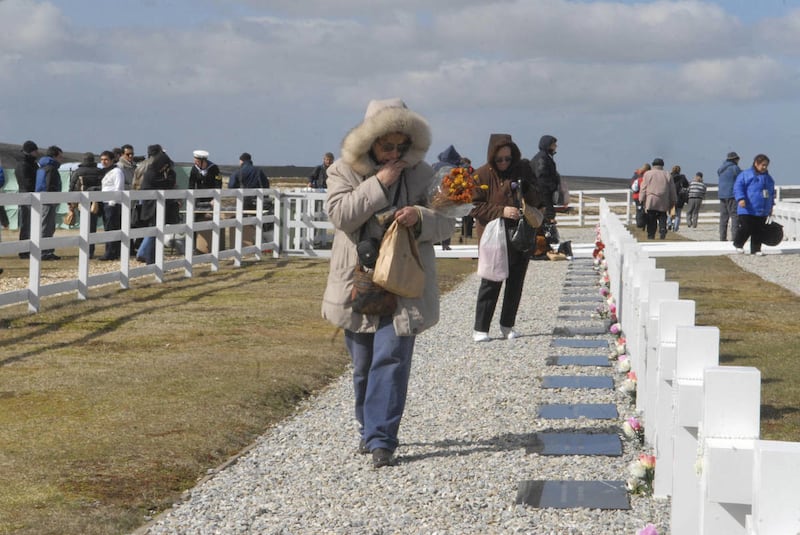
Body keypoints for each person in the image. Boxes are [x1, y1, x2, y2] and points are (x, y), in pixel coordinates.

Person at [321, 98, 454, 468]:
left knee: (391, 357)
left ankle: (382, 439)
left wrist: (421, 217)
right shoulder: (343, 172)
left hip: (404, 282)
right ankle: (368, 426)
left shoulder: (424, 175)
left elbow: (448, 225)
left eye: (401, 145)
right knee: (363, 363)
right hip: (358, 283)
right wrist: (379, 184)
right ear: (370, 142)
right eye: (387, 145)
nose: (395, 153)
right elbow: (341, 216)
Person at [471, 133, 542, 342]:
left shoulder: (522, 170)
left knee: (515, 282)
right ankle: (480, 328)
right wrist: (501, 211)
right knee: (491, 281)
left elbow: (537, 199)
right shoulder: (481, 175)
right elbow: (474, 207)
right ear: (492, 157)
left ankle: (507, 325)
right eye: (499, 159)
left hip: (521, 235)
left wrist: (528, 190)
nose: (504, 163)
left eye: (508, 159)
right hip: (494, 237)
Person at [136, 152, 176, 264]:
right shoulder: (152, 173)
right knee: (154, 232)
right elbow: (166, 185)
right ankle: (149, 257)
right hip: (151, 207)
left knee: (153, 231)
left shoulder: (153, 172)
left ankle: (143, 253)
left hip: (153, 206)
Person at [733, 154, 775, 256]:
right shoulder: (745, 175)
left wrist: (770, 207)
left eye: (766, 165)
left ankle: (756, 249)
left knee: (759, 230)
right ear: (756, 163)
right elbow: (738, 187)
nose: (764, 167)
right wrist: (741, 198)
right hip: (747, 208)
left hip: (762, 209)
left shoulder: (769, 179)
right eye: (763, 165)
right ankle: (738, 244)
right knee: (746, 227)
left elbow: (771, 194)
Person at [69, 152, 106, 258]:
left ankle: (85, 251)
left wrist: (70, 204)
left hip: (81, 202)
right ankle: (90, 251)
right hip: (96, 202)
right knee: (92, 226)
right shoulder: (99, 171)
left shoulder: (78, 172)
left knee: (84, 227)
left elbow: (72, 188)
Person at [431, 144, 464, 250]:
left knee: (433, 220)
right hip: (449, 198)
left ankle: (433, 242)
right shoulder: (455, 169)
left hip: (434, 198)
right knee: (448, 220)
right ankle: (445, 244)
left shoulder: (434, 166)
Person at [35, 145, 65, 260]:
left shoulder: (42, 167)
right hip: (48, 200)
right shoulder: (51, 168)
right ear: (54, 156)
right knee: (47, 226)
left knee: (46, 225)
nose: (61, 159)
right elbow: (49, 185)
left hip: (42, 199)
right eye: (60, 157)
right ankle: (44, 252)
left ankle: (46, 251)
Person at [99, 150, 126, 260]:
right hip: (105, 202)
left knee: (111, 227)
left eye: (106, 159)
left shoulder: (116, 172)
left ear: (112, 160)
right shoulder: (106, 172)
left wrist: (112, 203)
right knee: (108, 227)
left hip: (112, 203)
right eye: (102, 160)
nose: (103, 162)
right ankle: (111, 251)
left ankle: (111, 252)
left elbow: (118, 187)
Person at [639, 158, 676, 240]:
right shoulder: (667, 174)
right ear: (662, 165)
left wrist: (641, 198)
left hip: (651, 199)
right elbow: (672, 189)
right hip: (663, 199)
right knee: (662, 216)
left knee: (651, 218)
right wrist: (673, 199)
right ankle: (662, 230)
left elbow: (643, 187)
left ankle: (651, 234)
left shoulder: (648, 174)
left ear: (653, 165)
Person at [15, 140, 39, 258]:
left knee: (30, 224)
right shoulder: (24, 164)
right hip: (26, 197)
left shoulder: (29, 163)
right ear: (30, 151)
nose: (37, 153)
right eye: (35, 151)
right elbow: (26, 183)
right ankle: (23, 251)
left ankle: (27, 249)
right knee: (26, 224)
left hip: (29, 196)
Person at [530, 134, 561, 222]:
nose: (556, 146)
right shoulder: (543, 158)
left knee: (546, 216)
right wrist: (553, 187)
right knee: (548, 217)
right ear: (548, 145)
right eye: (553, 144)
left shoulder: (545, 156)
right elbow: (541, 177)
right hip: (543, 194)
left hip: (543, 193)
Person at [717, 151, 741, 241]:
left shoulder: (721, 169)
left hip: (722, 195)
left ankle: (722, 238)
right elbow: (741, 180)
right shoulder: (735, 168)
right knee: (734, 216)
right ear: (735, 159)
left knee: (723, 217)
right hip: (732, 195)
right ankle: (735, 238)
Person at [668, 165, 689, 232]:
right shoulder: (682, 177)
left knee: (671, 212)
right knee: (678, 214)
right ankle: (676, 227)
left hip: (671, 197)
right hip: (680, 197)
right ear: (679, 170)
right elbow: (686, 185)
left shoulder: (669, 176)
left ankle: (669, 223)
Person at [631, 163, 651, 229]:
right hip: (647, 196)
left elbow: (632, 186)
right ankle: (645, 223)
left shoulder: (636, 175)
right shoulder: (649, 176)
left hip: (637, 196)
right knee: (647, 210)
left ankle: (639, 224)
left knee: (639, 210)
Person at [459, 157, 475, 240]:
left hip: (471, 196)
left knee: (470, 217)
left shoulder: (474, 172)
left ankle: (468, 234)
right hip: (463, 196)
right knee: (464, 217)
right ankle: (464, 233)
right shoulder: (460, 173)